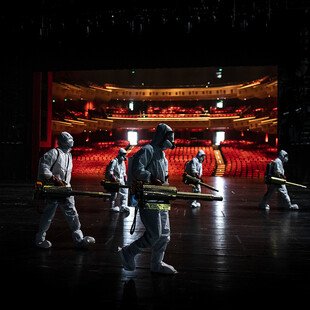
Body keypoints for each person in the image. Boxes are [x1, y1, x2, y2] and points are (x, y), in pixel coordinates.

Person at [118, 123, 177, 275]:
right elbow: (138, 170)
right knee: (154, 233)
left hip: (161, 197)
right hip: (148, 197)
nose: (171, 141)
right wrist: (151, 178)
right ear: (162, 136)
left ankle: (156, 264)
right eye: (169, 137)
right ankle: (129, 252)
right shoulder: (148, 150)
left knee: (165, 233)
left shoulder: (163, 155)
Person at [35, 131, 96, 249]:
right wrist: (53, 178)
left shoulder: (69, 155)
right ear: (63, 140)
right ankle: (39, 239)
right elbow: (43, 167)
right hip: (53, 189)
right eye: (69, 138)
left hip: (65, 189)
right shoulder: (54, 153)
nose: (71, 140)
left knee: (72, 213)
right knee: (48, 215)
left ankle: (79, 239)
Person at [105, 148, 130, 213]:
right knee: (114, 194)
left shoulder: (122, 162)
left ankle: (123, 206)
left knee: (125, 192)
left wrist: (125, 179)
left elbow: (124, 172)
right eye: (123, 154)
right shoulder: (114, 161)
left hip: (121, 180)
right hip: (115, 180)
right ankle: (111, 207)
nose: (124, 156)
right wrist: (113, 178)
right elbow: (110, 171)